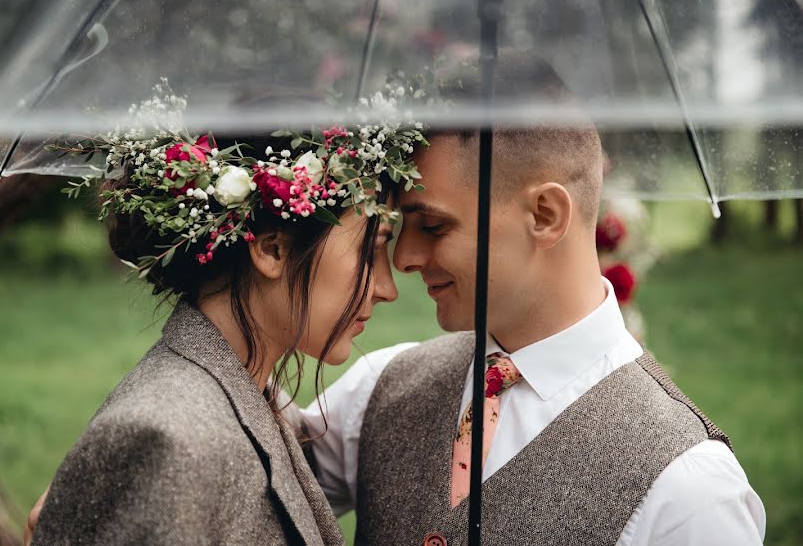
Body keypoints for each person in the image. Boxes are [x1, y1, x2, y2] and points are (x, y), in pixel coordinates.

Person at [301, 52, 766, 545]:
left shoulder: (689, 493)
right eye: (401, 229)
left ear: (544, 215)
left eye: (433, 226)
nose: (405, 258)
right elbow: (251, 471)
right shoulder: (380, 389)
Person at [27, 93, 426, 545]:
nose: (388, 288)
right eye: (370, 250)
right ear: (272, 249)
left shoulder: (257, 399)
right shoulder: (165, 439)